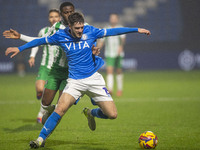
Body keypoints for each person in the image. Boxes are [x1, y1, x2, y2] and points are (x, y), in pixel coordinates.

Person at [5, 12, 151, 149]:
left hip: (94, 79)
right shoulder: (60, 36)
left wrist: (137, 29)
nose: (80, 31)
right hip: (75, 81)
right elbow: (40, 41)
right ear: (70, 27)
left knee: (112, 114)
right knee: (60, 109)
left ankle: (90, 113)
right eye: (77, 28)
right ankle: (40, 139)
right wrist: (20, 48)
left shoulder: (90, 31)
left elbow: (114, 32)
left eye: (81, 27)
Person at [3, 2, 100, 124]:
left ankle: (43, 137)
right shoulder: (56, 27)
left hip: (71, 72)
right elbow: (40, 41)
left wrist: (94, 48)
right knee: (46, 103)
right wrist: (21, 37)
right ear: (61, 14)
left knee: (61, 107)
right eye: (66, 12)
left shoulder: (84, 26)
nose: (69, 14)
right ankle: (48, 111)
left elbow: (93, 39)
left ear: (74, 12)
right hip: (56, 69)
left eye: (71, 12)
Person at [98, 14, 126, 97]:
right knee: (109, 71)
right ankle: (110, 90)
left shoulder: (120, 28)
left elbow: (123, 40)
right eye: (111, 18)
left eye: (114, 18)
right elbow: (101, 41)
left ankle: (120, 89)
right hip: (109, 53)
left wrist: (120, 48)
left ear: (117, 19)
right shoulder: (106, 29)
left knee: (118, 71)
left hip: (118, 53)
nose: (113, 20)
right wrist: (97, 48)